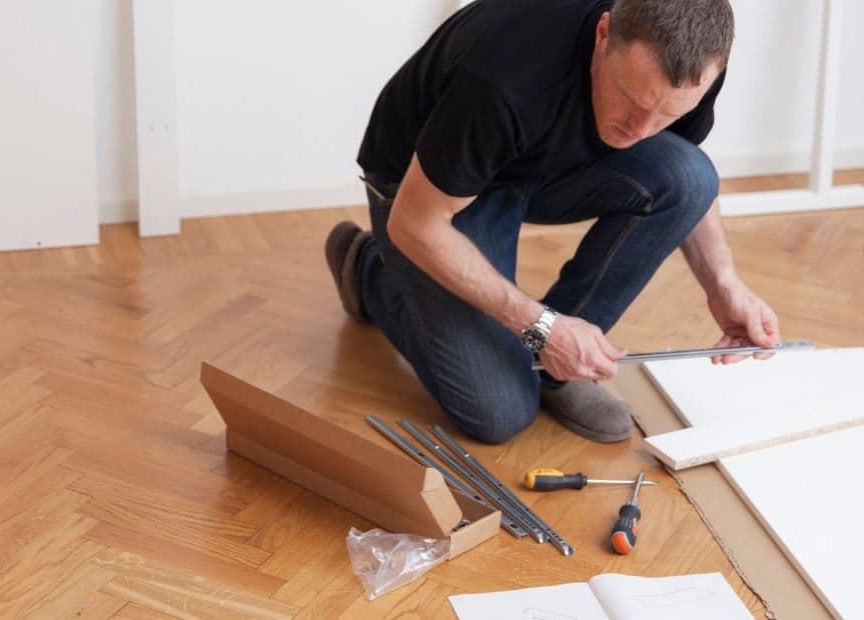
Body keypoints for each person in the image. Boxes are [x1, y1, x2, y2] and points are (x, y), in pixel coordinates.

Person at [325, 0, 780, 444]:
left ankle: (557, 370)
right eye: (630, 97)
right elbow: (415, 224)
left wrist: (724, 285)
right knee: (498, 413)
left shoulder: (690, 68)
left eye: (667, 114)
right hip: (428, 191)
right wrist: (537, 324)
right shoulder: (504, 77)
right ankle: (369, 267)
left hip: (540, 161)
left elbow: (685, 178)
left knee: (691, 175)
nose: (641, 130)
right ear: (604, 34)